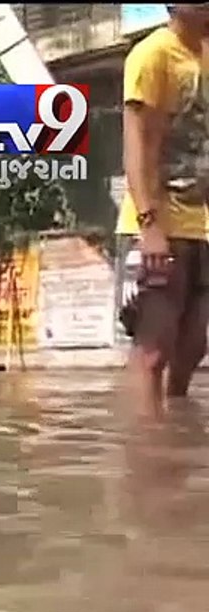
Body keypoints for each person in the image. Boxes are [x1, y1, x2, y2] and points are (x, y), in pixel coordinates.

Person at [118, 3, 209, 416]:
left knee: (193, 347)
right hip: (159, 220)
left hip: (202, 223)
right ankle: (148, 462)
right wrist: (148, 223)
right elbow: (136, 144)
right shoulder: (152, 54)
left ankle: (174, 436)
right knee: (154, 349)